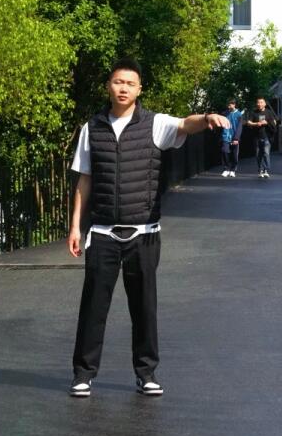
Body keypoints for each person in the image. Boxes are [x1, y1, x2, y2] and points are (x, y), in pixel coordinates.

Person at [67, 58, 228, 398]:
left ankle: (146, 373)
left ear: (139, 89)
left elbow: (184, 124)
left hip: (144, 234)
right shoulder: (91, 128)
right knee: (93, 306)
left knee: (144, 307)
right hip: (102, 233)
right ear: (108, 86)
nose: (123, 88)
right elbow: (84, 179)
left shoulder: (154, 124)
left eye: (130, 83)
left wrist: (206, 118)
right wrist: (75, 227)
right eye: (118, 82)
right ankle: (83, 374)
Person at [246, 96, 277, 179]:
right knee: (258, 154)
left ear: (265, 104)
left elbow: (274, 122)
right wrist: (256, 124)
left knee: (266, 153)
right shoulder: (254, 112)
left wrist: (267, 122)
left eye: (261, 102)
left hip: (266, 136)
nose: (259, 104)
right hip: (256, 136)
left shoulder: (269, 112)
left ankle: (266, 170)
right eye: (258, 102)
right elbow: (248, 122)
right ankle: (260, 170)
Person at [220, 99, 243, 178]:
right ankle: (226, 169)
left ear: (234, 104)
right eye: (228, 105)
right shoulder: (224, 114)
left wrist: (236, 138)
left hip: (234, 137)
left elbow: (239, 127)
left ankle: (233, 170)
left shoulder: (239, 114)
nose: (229, 106)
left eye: (230, 104)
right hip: (225, 136)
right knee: (225, 151)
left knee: (234, 155)